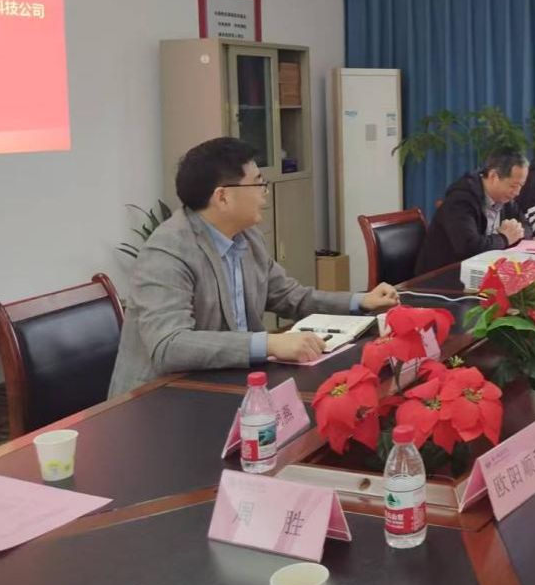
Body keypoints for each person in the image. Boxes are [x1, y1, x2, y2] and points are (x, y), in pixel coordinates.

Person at [109, 137, 399, 396]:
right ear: (223, 196)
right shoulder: (168, 250)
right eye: (258, 183)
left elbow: (289, 296)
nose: (265, 192)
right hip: (160, 396)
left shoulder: (248, 237)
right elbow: (169, 345)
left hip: (225, 382)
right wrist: (268, 344)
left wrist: (361, 300)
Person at [414, 149, 532, 275]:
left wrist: (515, 231)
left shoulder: (505, 198)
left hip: (479, 271)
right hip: (441, 276)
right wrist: (505, 238)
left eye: (521, 186)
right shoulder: (461, 199)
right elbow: (469, 248)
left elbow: (527, 227)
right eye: (513, 186)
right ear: (493, 176)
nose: (517, 192)